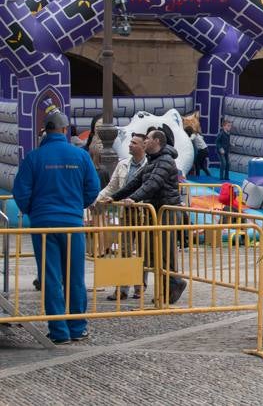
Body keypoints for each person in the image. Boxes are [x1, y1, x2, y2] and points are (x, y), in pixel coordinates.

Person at [13, 110, 100, 344]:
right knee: (75, 276)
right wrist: (75, 207)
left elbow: (20, 192)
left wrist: (35, 211)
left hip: (43, 225)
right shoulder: (80, 156)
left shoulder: (34, 157)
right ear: (64, 130)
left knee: (50, 277)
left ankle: (59, 332)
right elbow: (93, 189)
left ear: (45, 130)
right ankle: (77, 327)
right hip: (72, 224)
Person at [113, 130, 186, 304]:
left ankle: (175, 283)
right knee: (155, 253)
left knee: (165, 253)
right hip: (155, 211)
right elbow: (136, 182)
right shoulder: (153, 161)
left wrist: (134, 198)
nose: (145, 141)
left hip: (166, 211)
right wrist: (115, 197)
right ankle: (165, 290)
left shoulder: (165, 161)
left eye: (148, 139)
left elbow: (153, 184)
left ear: (157, 141)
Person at [96, 132, 147, 300]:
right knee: (124, 251)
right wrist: (98, 198)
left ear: (143, 146)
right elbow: (112, 187)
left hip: (144, 214)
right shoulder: (122, 164)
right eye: (130, 142)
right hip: (126, 213)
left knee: (142, 251)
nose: (130, 145)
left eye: (134, 142)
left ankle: (140, 286)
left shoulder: (150, 165)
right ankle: (122, 288)